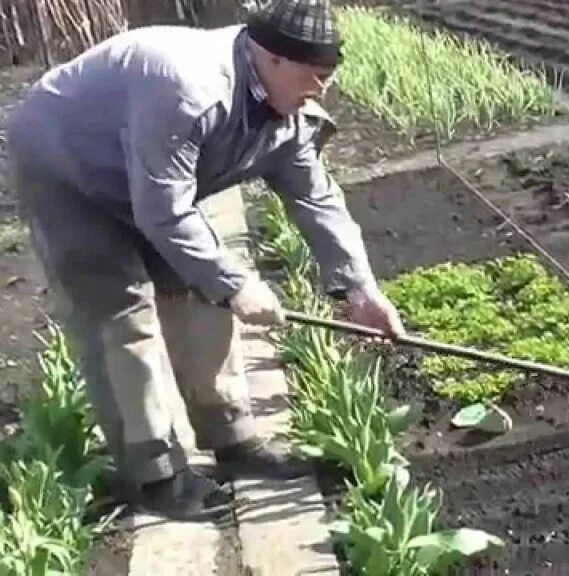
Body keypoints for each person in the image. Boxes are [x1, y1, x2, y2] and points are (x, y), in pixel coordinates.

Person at [5, 0, 406, 521]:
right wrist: (236, 283)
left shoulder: (289, 109)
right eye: (315, 75)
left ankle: (232, 440)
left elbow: (317, 200)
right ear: (273, 58)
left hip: (149, 174)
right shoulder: (188, 89)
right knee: (121, 315)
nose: (322, 89)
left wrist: (360, 290)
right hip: (67, 162)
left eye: (329, 75)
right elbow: (164, 214)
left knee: (199, 291)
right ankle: (154, 475)